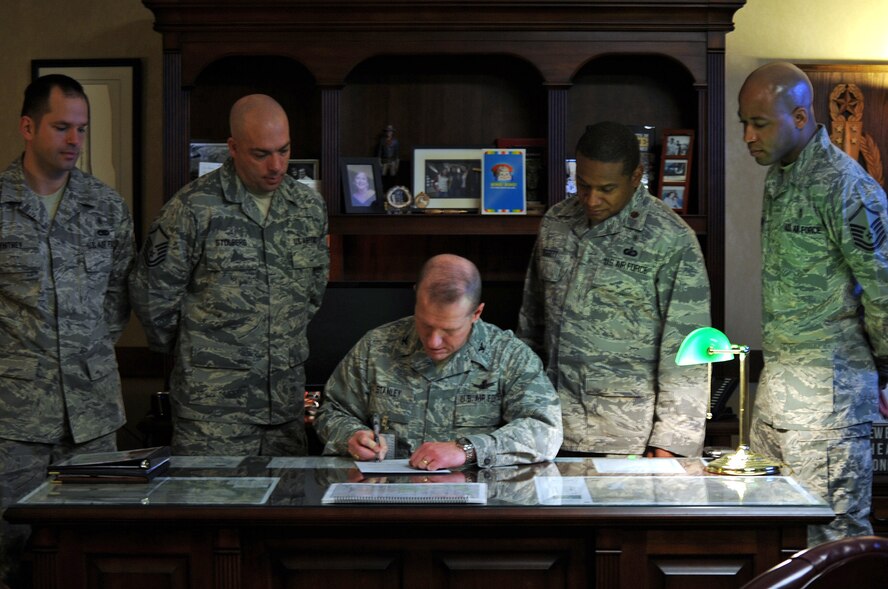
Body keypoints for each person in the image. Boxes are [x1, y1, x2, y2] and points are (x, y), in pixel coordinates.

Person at [738, 61, 888, 546]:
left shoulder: (850, 187)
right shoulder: (781, 176)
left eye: (759, 123)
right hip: (779, 398)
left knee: (833, 546)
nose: (747, 135)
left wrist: (884, 370)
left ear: (800, 118)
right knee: (773, 540)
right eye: (744, 121)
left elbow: (885, 289)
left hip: (830, 409)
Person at [130, 94, 329, 457]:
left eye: (284, 151)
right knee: (212, 512)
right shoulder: (192, 207)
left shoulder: (309, 208)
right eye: (261, 153)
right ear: (233, 148)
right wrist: (203, 354)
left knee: (285, 509)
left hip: (283, 407)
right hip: (213, 412)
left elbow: (312, 293)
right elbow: (153, 296)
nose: (276, 165)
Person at [0, 74, 136, 585]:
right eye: (62, 127)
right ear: (28, 127)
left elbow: (118, 297)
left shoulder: (106, 207)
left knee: (97, 554)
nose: (74, 141)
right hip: (12, 422)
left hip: (93, 417)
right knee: (11, 557)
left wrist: (82, 349)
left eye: (82, 129)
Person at [517, 121, 711, 458]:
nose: (592, 199)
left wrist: (671, 442)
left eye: (607, 188)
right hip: (547, 428)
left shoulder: (670, 239)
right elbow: (530, 326)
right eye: (583, 184)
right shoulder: (556, 223)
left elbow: (687, 350)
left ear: (636, 177)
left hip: (625, 437)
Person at [314, 254, 562, 470]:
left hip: (478, 502)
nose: (433, 341)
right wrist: (351, 436)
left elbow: (544, 431)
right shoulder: (375, 347)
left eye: (449, 330)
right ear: (416, 297)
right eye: (425, 324)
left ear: (476, 313)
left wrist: (467, 450)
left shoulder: (509, 356)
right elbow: (332, 411)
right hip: (387, 499)